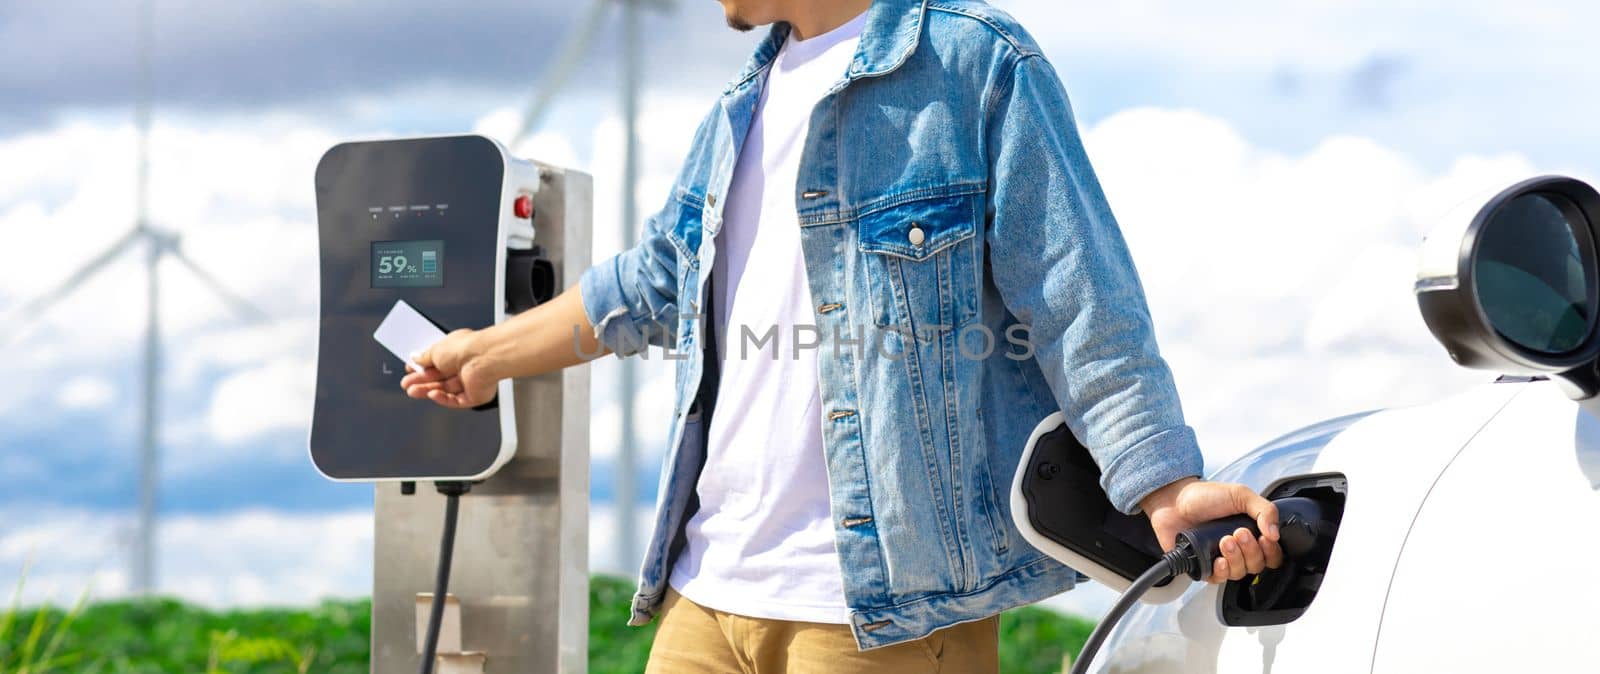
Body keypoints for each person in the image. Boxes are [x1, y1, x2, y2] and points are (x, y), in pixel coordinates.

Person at [401, 0, 1283, 671]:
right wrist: (483, 356)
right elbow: (653, 282)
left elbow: (1076, 293)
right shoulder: (736, 110)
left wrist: (1164, 483)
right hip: (701, 593)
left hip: (882, 614)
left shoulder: (972, 63)